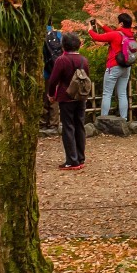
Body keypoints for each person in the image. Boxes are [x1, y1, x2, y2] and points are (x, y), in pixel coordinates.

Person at [47, 32, 92, 170]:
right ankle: (80, 157)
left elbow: (53, 80)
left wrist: (51, 94)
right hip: (81, 96)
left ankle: (71, 160)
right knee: (79, 125)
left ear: (63, 45)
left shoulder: (62, 60)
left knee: (68, 127)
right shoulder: (84, 60)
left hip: (66, 96)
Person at [85, 12, 137, 122]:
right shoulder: (130, 35)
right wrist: (101, 25)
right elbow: (114, 34)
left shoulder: (116, 35)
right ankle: (124, 119)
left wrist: (90, 29)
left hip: (114, 66)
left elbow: (97, 37)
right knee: (122, 93)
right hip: (126, 67)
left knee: (107, 93)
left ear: (122, 23)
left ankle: (103, 119)